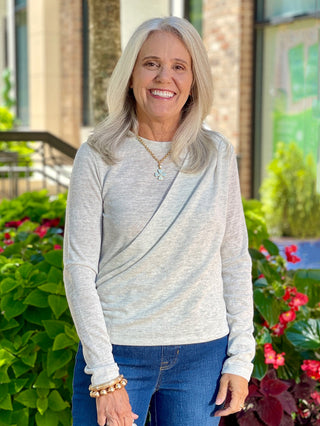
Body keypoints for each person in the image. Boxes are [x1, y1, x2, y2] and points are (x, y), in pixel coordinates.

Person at [63, 16, 255, 426]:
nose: (163, 77)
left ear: (193, 80)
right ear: (131, 74)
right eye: (150, 63)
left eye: (179, 66)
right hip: (118, 353)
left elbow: (235, 259)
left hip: (202, 355)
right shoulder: (98, 155)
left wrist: (240, 358)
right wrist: (105, 374)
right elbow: (78, 270)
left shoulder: (216, 154)